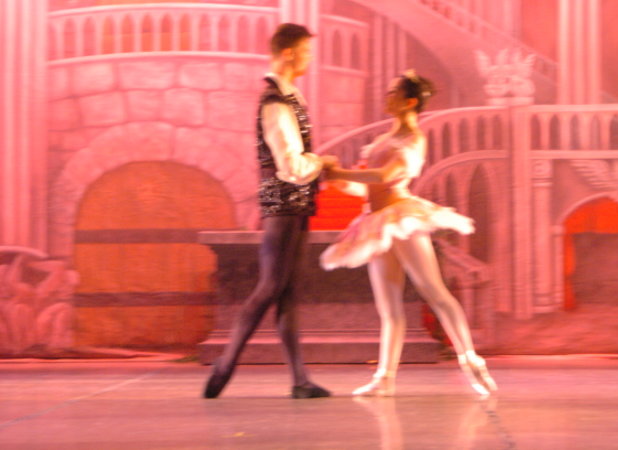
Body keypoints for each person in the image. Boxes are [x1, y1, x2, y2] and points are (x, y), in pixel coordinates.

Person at [320, 71, 497, 397]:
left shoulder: (413, 139)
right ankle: (384, 378)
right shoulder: (383, 141)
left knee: (434, 291)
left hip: (401, 219)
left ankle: (471, 360)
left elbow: (384, 176)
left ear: (410, 101)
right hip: (377, 222)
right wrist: (336, 180)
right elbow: (367, 188)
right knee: (389, 308)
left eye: (393, 93)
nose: (387, 96)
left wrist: (338, 171)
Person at [204, 23, 336, 399]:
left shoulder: (289, 97)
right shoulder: (276, 102)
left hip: (295, 202)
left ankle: (299, 380)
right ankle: (226, 363)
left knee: (286, 291)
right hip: (283, 201)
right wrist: (322, 163)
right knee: (270, 287)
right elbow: (290, 164)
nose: (309, 58)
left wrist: (317, 167)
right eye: (306, 51)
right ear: (289, 53)